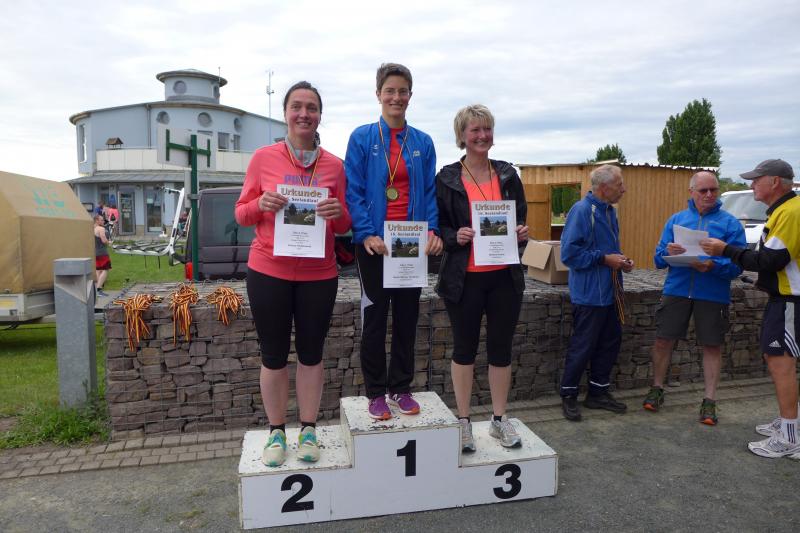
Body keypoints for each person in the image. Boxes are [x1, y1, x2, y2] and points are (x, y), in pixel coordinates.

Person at [235, 81, 351, 467]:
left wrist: (338, 214)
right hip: (269, 270)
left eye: (311, 107)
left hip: (318, 274)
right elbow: (241, 213)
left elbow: (345, 223)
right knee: (273, 356)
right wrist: (260, 204)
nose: (304, 114)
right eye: (297, 106)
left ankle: (308, 430)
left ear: (319, 115)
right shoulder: (263, 158)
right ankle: (276, 432)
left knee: (311, 355)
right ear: (285, 113)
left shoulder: (334, 165)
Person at [345, 62, 443, 420]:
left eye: (402, 91)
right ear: (378, 94)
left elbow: (429, 192)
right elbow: (353, 190)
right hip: (375, 245)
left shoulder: (423, 142)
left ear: (410, 96)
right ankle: (375, 393)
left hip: (410, 245)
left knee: (406, 319)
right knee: (374, 320)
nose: (396, 97)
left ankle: (400, 388)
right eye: (390, 90)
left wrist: (432, 231)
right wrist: (365, 233)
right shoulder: (361, 138)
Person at [435, 105, 528, 451]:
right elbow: (438, 225)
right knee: (464, 349)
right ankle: (463, 421)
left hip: (504, 278)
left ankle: (499, 419)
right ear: (462, 135)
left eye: (487, 129)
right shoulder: (446, 177)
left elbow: (521, 218)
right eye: (475, 130)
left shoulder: (508, 174)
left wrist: (521, 232)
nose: (482, 136)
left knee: (501, 350)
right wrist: (453, 236)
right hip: (465, 279)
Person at [700, 159, 800, 458]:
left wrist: (726, 250)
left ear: (775, 182)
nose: (751, 184)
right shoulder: (786, 210)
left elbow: (771, 260)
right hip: (784, 298)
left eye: (757, 179)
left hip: (789, 300)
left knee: (781, 363)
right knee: (780, 361)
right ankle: (789, 423)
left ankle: (790, 437)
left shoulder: (790, 212)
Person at [643, 171, 746, 424]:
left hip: (712, 293)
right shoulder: (676, 220)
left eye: (714, 190)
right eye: (703, 190)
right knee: (663, 340)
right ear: (691, 192)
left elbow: (738, 265)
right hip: (676, 289)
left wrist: (713, 266)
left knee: (712, 345)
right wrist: (668, 251)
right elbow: (658, 259)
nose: (710, 195)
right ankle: (657, 388)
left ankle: (709, 401)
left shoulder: (730, 224)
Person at [559, 164, 633, 421]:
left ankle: (598, 393)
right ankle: (568, 395)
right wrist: (604, 259)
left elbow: (607, 251)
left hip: (611, 292)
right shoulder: (582, 211)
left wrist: (621, 261)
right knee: (583, 346)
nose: (624, 189)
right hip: (589, 295)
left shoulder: (609, 211)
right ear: (604, 187)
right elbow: (569, 255)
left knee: (609, 343)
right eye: (619, 185)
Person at [93, 213, 111, 297]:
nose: (103, 221)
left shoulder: (93, 228)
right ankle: (99, 289)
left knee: (98, 270)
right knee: (105, 269)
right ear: (97, 220)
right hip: (102, 252)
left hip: (95, 252)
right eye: (101, 220)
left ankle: (98, 289)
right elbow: (104, 240)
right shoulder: (101, 229)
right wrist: (109, 242)